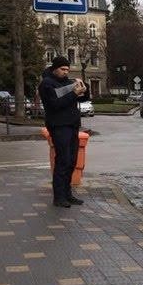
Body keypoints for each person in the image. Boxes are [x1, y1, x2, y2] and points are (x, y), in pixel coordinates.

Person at [38, 56, 90, 208]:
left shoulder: (68, 82)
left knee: (72, 160)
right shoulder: (47, 84)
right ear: (55, 68)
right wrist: (74, 93)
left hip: (72, 124)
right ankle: (59, 197)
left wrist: (83, 89)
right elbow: (55, 104)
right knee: (63, 160)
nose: (66, 72)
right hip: (59, 126)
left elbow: (81, 99)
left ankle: (67, 194)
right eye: (63, 69)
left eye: (67, 69)